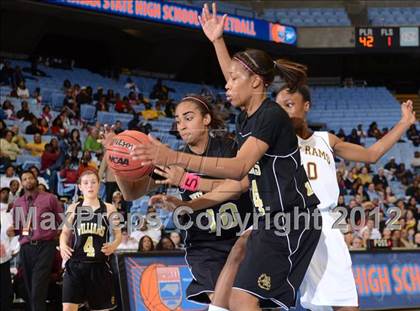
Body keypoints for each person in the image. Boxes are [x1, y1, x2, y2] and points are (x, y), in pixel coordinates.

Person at [132, 4, 321, 310]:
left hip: (292, 218)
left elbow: (238, 168)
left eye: (233, 80)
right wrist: (217, 41)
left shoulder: (270, 116)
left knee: (243, 300)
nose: (226, 85)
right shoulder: (248, 116)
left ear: (256, 82)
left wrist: (174, 158)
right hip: (268, 220)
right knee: (236, 295)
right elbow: (239, 79)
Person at [149, 95, 254, 304]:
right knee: (226, 304)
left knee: (246, 303)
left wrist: (189, 183)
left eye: (188, 118)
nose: (182, 126)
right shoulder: (174, 162)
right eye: (178, 121)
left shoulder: (229, 148)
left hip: (241, 236)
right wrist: (115, 157)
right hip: (204, 245)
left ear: (206, 120)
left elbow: (238, 187)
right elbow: (130, 193)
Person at [59, 169, 122, 311]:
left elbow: (118, 235)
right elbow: (64, 233)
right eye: (86, 183)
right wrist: (62, 245)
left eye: (93, 182)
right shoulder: (73, 208)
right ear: (80, 187)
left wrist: (113, 245)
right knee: (68, 308)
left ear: (99, 185)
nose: (90, 186)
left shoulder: (109, 209)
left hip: (99, 266)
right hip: (76, 265)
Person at [8, 170, 63, 311]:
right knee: (30, 288)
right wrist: (12, 232)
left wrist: (56, 237)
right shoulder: (18, 203)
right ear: (22, 183)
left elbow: (63, 222)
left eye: (30, 178)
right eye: (24, 179)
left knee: (38, 286)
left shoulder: (49, 198)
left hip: (45, 246)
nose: (28, 181)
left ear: (36, 180)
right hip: (26, 248)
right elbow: (20, 228)